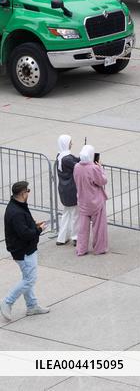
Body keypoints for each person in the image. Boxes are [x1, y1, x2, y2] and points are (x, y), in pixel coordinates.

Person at [1, 181, 49, 321]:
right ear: (23, 193)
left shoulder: (17, 206)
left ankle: (32, 305)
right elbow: (25, 234)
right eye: (28, 190)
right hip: (24, 251)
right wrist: (39, 229)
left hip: (23, 249)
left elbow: (22, 228)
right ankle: (7, 302)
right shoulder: (16, 212)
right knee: (29, 279)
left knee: (27, 277)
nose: (29, 192)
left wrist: (33, 225)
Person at [74, 145, 108, 256]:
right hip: (96, 202)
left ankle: (81, 249)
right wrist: (101, 168)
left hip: (83, 201)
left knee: (83, 228)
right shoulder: (93, 168)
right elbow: (102, 181)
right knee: (98, 228)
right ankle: (99, 248)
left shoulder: (77, 167)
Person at [54, 134, 79, 246]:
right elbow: (78, 165)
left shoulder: (60, 156)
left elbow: (75, 160)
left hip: (64, 189)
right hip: (71, 189)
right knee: (75, 214)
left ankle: (62, 237)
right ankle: (76, 237)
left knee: (66, 213)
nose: (71, 144)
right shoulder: (67, 159)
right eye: (70, 142)